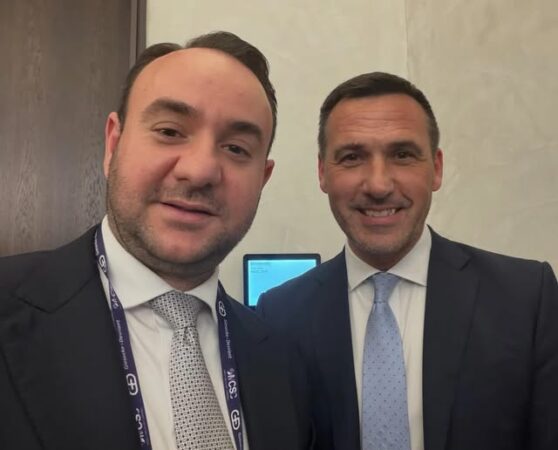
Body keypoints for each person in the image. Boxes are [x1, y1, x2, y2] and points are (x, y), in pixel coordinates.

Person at [0, 32, 312, 450]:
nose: (200, 170)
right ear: (113, 144)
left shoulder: (283, 364)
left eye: (237, 149)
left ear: (263, 178)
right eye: (169, 131)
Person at [257, 72, 558, 450]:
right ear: (322, 173)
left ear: (437, 168)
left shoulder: (526, 299)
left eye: (402, 155)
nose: (379, 185)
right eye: (352, 157)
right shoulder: (279, 317)